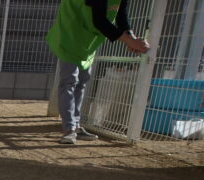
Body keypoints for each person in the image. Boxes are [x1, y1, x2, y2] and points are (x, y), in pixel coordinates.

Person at [46, 0, 151, 144]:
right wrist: (127, 40)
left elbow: (121, 15)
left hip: (88, 40)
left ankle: (76, 126)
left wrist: (130, 36)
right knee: (69, 81)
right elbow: (99, 21)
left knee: (82, 81)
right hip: (70, 33)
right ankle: (69, 129)